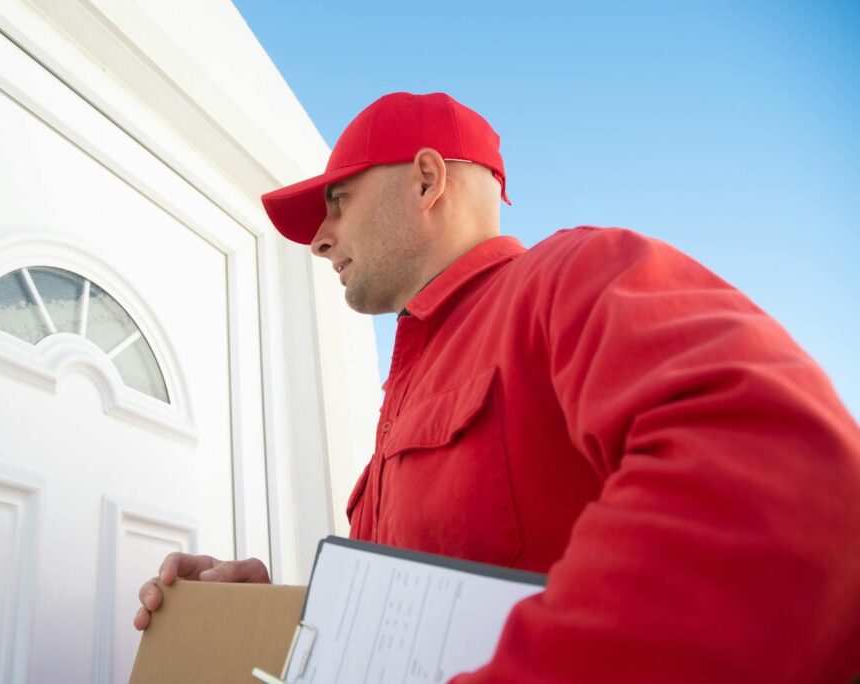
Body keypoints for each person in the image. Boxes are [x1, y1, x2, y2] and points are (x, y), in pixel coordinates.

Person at [136, 92, 860, 682]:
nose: (320, 239)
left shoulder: (570, 278)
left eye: (338, 200)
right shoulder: (403, 393)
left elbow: (796, 487)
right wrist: (276, 621)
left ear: (426, 179)